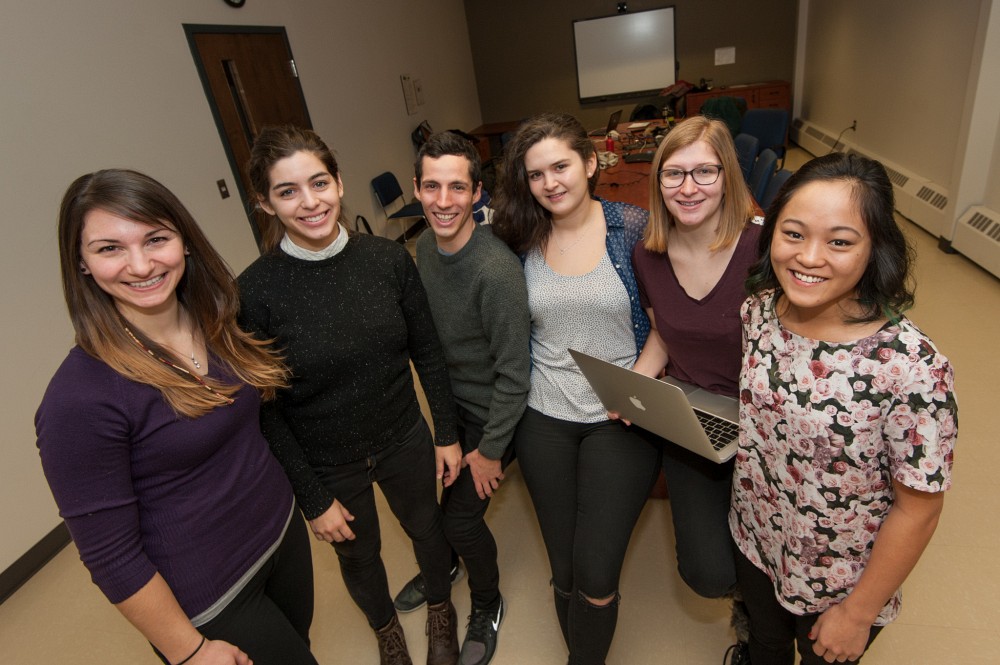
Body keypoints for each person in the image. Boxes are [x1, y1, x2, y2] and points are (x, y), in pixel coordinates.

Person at [36, 169, 317, 665]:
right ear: (80, 262)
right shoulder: (78, 399)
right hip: (213, 596)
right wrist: (188, 653)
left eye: (156, 239)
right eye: (109, 248)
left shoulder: (213, 318)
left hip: (280, 537)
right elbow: (110, 556)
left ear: (184, 241)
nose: (141, 264)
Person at [237, 125, 461, 665]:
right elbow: (264, 411)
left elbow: (427, 353)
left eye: (319, 182)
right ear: (265, 202)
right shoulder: (254, 291)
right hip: (327, 459)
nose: (310, 202)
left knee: (427, 531)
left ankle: (439, 609)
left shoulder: (387, 261)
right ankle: (385, 629)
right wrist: (312, 498)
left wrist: (448, 435)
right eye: (288, 191)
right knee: (359, 559)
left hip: (403, 434)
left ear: (339, 183)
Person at [731, 152, 957, 664]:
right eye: (793, 234)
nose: (810, 258)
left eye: (839, 241)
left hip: (838, 578)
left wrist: (858, 613)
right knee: (763, 643)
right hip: (756, 537)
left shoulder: (912, 368)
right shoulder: (759, 310)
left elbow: (919, 509)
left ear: (876, 248)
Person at [491, 113, 661, 665]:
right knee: (562, 568)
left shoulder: (633, 228)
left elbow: (667, 322)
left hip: (621, 415)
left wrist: (636, 385)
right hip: (543, 418)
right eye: (536, 174)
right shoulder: (520, 239)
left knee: (595, 570)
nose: (550, 183)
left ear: (590, 163)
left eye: (561, 166)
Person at [627, 116, 760, 664]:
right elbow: (666, 327)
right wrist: (634, 383)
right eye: (673, 173)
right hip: (695, 421)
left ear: (727, 175)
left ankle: (758, 620)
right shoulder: (647, 254)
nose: (688, 187)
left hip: (765, 427)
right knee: (706, 573)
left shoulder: (764, 246)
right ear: (657, 182)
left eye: (704, 171)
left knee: (766, 560)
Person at [395, 130, 531, 665]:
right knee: (435, 507)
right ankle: (445, 565)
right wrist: (446, 433)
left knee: (461, 519)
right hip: (453, 408)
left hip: (500, 413)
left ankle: (486, 602)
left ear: (478, 192)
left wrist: (491, 449)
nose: (443, 201)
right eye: (432, 186)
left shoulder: (494, 270)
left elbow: (515, 376)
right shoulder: (423, 248)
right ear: (417, 188)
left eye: (457, 187)